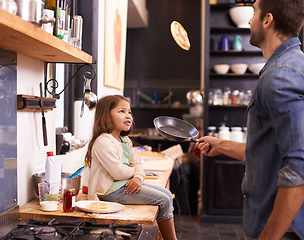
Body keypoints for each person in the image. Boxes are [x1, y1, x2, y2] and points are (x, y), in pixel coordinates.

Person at [196, 0, 304, 239]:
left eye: (254, 12)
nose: (248, 20)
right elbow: (271, 153)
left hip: (280, 231)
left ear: (268, 20)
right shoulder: (287, 67)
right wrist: (222, 145)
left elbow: (298, 166)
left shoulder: (281, 75)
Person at [85, 95, 177, 240]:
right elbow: (118, 172)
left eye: (129, 112)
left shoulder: (125, 140)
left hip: (124, 186)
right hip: (110, 191)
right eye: (122, 111)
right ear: (106, 116)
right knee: (164, 200)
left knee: (166, 194)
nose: (128, 116)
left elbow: (138, 163)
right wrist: (136, 174)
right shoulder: (103, 141)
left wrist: (139, 177)